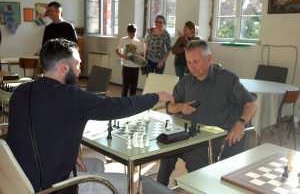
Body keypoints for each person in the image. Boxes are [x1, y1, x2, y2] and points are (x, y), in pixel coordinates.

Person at [6, 38, 174, 193]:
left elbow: (37, 130)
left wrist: (67, 154)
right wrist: (155, 97)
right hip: (51, 188)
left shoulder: (21, 90)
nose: (80, 69)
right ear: (64, 67)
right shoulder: (72, 97)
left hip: (20, 180)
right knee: (134, 182)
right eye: (77, 64)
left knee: (97, 164)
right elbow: (117, 106)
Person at [157, 40, 258, 186]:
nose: (192, 66)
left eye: (196, 61)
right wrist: (180, 106)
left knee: (194, 157)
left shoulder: (227, 79)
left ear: (208, 58)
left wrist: (240, 123)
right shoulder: (185, 82)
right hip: (191, 136)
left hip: (217, 139)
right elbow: (169, 108)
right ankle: (157, 190)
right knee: (167, 151)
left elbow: (252, 103)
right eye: (189, 62)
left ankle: (202, 188)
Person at [115, 24, 143, 97]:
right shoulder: (123, 40)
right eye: (130, 34)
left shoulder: (138, 42)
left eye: (133, 34)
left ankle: (132, 102)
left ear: (136, 32)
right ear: (127, 32)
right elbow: (117, 50)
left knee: (134, 87)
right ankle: (123, 102)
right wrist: (122, 55)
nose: (132, 35)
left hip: (135, 66)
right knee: (125, 86)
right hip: (126, 66)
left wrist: (137, 53)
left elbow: (142, 54)